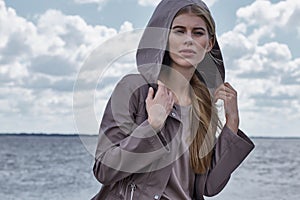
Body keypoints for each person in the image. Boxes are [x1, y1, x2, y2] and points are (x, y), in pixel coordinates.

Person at [92, 0, 255, 199]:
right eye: (179, 31)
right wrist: (152, 126)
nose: (189, 40)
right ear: (164, 37)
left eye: (198, 33)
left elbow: (208, 186)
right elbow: (103, 170)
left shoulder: (202, 104)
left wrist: (232, 123)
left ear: (209, 43)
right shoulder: (134, 89)